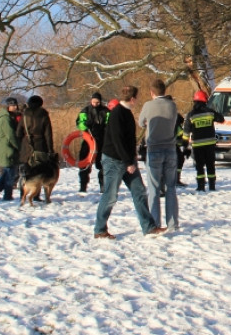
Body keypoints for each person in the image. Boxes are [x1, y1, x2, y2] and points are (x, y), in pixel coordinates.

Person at [94, 86, 163, 239]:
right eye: (137, 98)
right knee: (110, 195)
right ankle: (99, 230)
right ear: (132, 99)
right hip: (114, 160)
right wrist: (128, 162)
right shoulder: (117, 114)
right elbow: (118, 141)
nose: (137, 101)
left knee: (139, 191)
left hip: (127, 160)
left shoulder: (127, 112)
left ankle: (149, 227)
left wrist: (132, 157)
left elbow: (129, 139)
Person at [139, 79, 180, 231]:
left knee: (154, 188)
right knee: (171, 187)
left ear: (152, 92)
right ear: (164, 90)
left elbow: (140, 122)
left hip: (154, 148)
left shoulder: (148, 105)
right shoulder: (172, 105)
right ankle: (172, 223)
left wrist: (148, 123)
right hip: (170, 148)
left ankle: (155, 223)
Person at [184, 89, 225, 191]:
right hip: (210, 144)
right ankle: (212, 186)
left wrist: (185, 145)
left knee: (199, 166)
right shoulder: (210, 112)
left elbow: (186, 132)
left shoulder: (191, 115)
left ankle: (201, 186)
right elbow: (221, 119)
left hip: (197, 145)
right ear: (205, 100)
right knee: (210, 165)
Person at [0, 97, 21, 201]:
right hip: (7, 149)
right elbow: (10, 135)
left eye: (16, 105)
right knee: (10, 173)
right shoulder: (5, 119)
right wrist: (19, 146)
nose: (15, 107)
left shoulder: (10, 117)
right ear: (8, 106)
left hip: (9, 149)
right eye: (13, 105)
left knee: (8, 173)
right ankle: (7, 195)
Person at [76, 92, 108, 192]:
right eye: (94, 102)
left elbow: (110, 124)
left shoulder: (106, 111)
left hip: (101, 141)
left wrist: (105, 128)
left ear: (100, 102)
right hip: (88, 140)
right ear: (91, 101)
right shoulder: (85, 111)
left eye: (97, 102)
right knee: (84, 164)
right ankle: (83, 186)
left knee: (103, 164)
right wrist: (85, 125)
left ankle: (103, 185)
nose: (95, 104)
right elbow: (79, 123)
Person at [18, 94, 54, 167]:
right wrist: (50, 150)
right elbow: (48, 135)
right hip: (41, 146)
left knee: (27, 169)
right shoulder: (44, 115)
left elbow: (18, 133)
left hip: (26, 147)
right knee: (41, 169)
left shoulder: (24, 116)